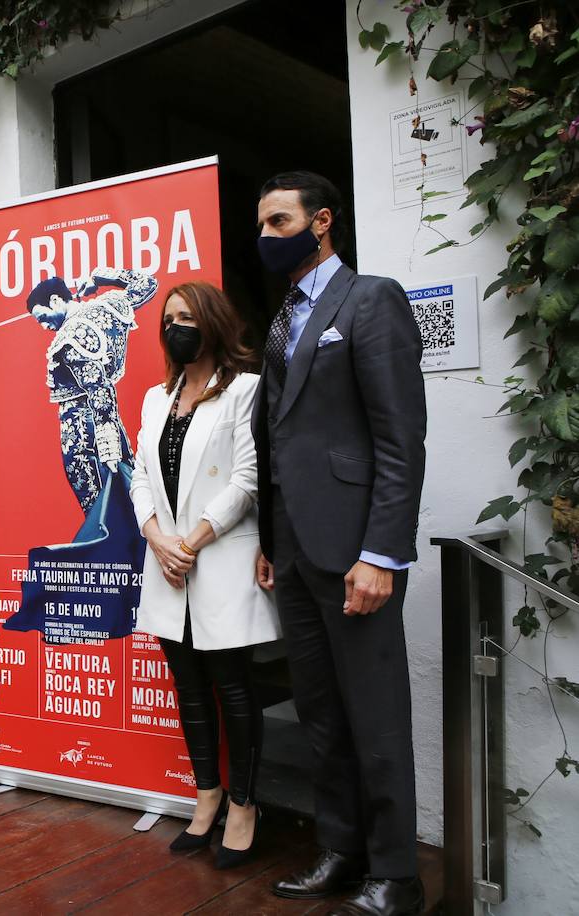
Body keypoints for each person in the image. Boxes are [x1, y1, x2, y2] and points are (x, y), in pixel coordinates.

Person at [252, 172, 427, 916]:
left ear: (321, 222)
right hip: (292, 550)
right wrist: (268, 539)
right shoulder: (282, 316)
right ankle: (341, 849)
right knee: (319, 713)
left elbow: (400, 438)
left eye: (279, 220)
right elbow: (278, 435)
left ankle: (397, 873)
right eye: (260, 223)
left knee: (374, 713)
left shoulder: (369, 299)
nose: (265, 235)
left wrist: (382, 553)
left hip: (355, 550)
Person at [132, 282, 278, 869]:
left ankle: (244, 805)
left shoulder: (244, 390)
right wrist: (157, 539)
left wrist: (188, 543)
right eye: (168, 319)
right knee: (188, 689)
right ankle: (206, 794)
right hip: (167, 562)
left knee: (234, 690)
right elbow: (138, 473)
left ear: (213, 322)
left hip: (216, 558)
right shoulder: (153, 397)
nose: (175, 328)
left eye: (187, 317)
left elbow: (248, 478)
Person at [27, 267, 158, 511]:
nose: (44, 327)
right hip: (111, 428)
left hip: (84, 436)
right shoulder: (107, 305)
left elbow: (99, 388)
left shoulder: (69, 336)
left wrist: (107, 448)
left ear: (55, 300)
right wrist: (99, 277)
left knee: (102, 513)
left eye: (42, 317)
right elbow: (146, 283)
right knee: (129, 504)